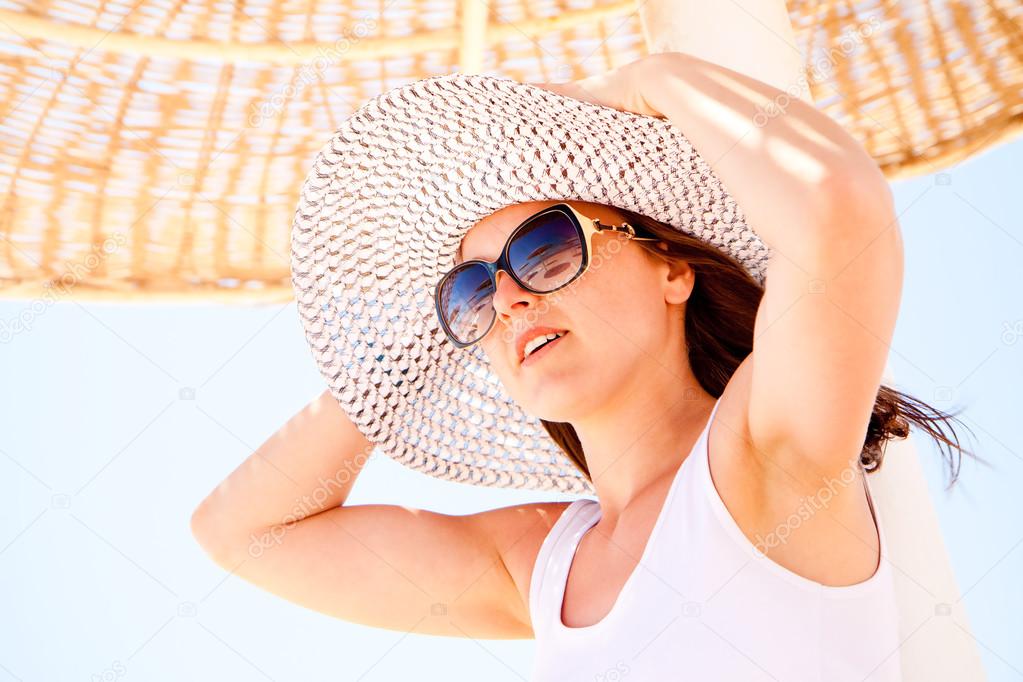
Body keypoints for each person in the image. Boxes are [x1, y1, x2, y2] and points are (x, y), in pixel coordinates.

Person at [191, 6, 971, 681]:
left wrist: (654, 80)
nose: (507, 297)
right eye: (472, 292)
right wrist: (418, 343)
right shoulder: (544, 560)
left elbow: (838, 214)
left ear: (671, 269)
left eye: (545, 250)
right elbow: (245, 533)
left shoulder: (760, 452)